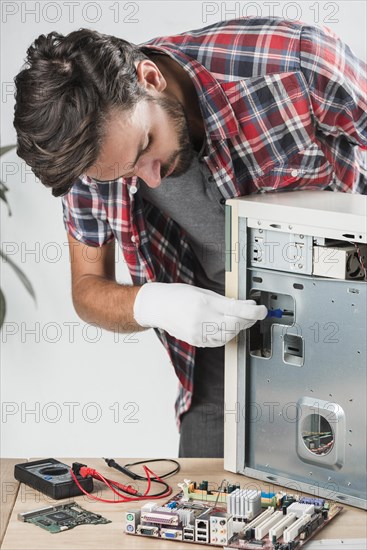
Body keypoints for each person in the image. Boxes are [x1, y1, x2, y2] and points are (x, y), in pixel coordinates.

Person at [13, 17, 367, 458]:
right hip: (226, 349)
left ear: (151, 78)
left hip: (351, 321)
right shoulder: (91, 160)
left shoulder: (295, 61)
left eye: (146, 148)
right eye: (128, 173)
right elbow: (87, 289)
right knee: (203, 503)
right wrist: (155, 303)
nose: (151, 178)